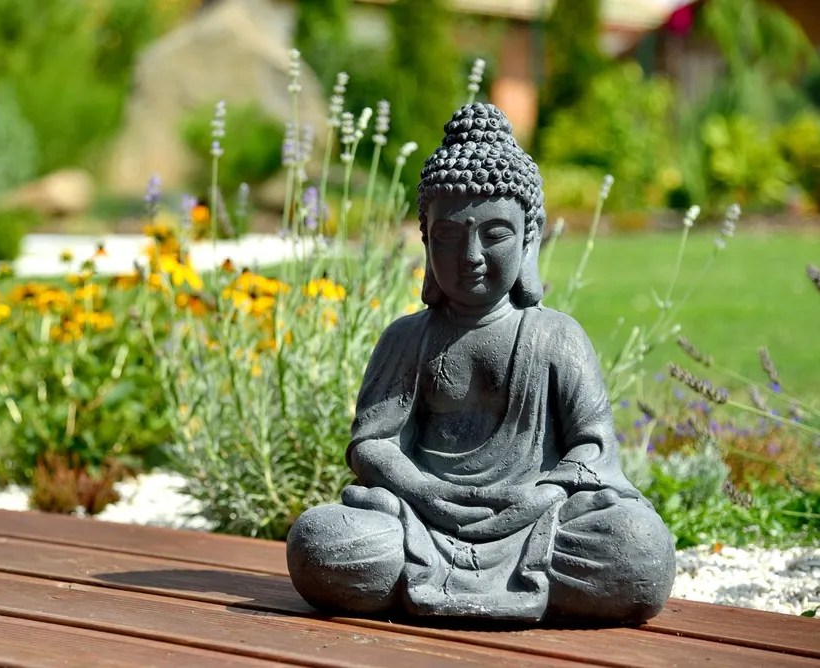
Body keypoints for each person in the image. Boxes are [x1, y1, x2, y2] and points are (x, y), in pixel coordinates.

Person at [286, 103, 675, 623]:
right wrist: (424, 489)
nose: (470, 255)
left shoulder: (556, 336)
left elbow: (594, 444)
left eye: (494, 234)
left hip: (538, 518)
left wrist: (544, 494)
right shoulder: (407, 338)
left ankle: (489, 579)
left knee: (639, 550)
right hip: (420, 519)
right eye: (448, 236)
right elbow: (373, 443)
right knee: (321, 541)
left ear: (529, 238)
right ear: (426, 239)